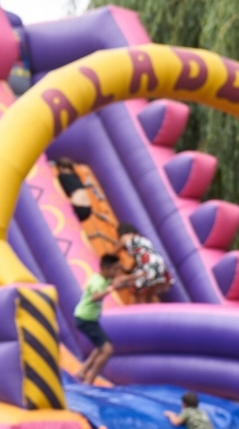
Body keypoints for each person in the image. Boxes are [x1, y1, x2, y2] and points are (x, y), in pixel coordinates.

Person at [73, 254, 122, 385]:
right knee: (107, 349)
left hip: (88, 318)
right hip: (85, 318)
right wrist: (112, 288)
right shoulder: (98, 281)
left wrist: (138, 276)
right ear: (105, 269)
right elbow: (95, 297)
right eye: (115, 269)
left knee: (100, 346)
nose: (117, 272)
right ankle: (89, 380)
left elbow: (120, 281)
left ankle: (82, 371)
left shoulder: (104, 278)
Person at [113, 222, 173, 304]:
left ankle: (139, 314)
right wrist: (128, 270)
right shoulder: (142, 239)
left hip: (148, 266)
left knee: (140, 296)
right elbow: (141, 258)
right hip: (159, 265)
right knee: (149, 298)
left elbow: (112, 254)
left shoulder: (124, 238)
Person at [55, 157, 92, 222]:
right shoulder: (75, 176)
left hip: (78, 207)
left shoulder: (62, 177)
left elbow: (59, 190)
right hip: (88, 208)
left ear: (60, 168)